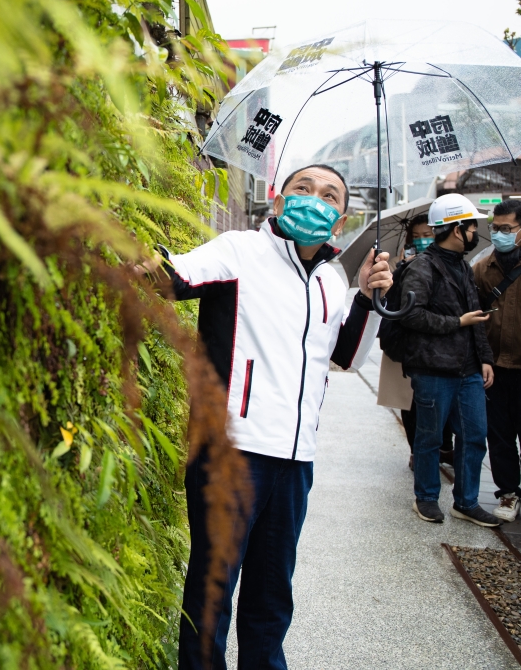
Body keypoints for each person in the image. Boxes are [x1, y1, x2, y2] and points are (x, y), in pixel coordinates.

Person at [142, 164, 392, 670]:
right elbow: (171, 276)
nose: (315, 200)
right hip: (231, 451)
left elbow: (342, 356)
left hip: (295, 461)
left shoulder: (331, 277)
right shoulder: (239, 251)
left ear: (340, 221)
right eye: (304, 189)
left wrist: (366, 297)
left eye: (329, 196)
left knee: (272, 596)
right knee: (213, 594)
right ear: (278, 199)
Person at [396, 193, 499, 527]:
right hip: (433, 369)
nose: (475, 233)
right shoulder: (422, 267)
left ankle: (466, 501)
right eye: (472, 227)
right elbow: (411, 316)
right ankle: (426, 498)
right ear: (457, 230)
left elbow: (476, 316)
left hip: (468, 370)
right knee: (430, 438)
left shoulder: (464, 268)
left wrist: (484, 358)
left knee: (474, 435)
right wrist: (457, 323)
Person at [474, 199, 521, 522]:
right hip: (494, 368)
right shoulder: (481, 269)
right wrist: (481, 358)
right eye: (497, 229)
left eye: (508, 229)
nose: (501, 235)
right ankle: (508, 493)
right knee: (500, 434)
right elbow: (474, 317)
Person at [396, 213, 454, 469]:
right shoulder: (402, 265)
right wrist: (401, 270)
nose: (421, 241)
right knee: (407, 403)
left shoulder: (450, 263)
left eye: (427, 235)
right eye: (416, 237)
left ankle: (444, 447)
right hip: (403, 345)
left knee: (442, 404)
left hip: (440, 345)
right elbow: (392, 303)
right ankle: (415, 451)